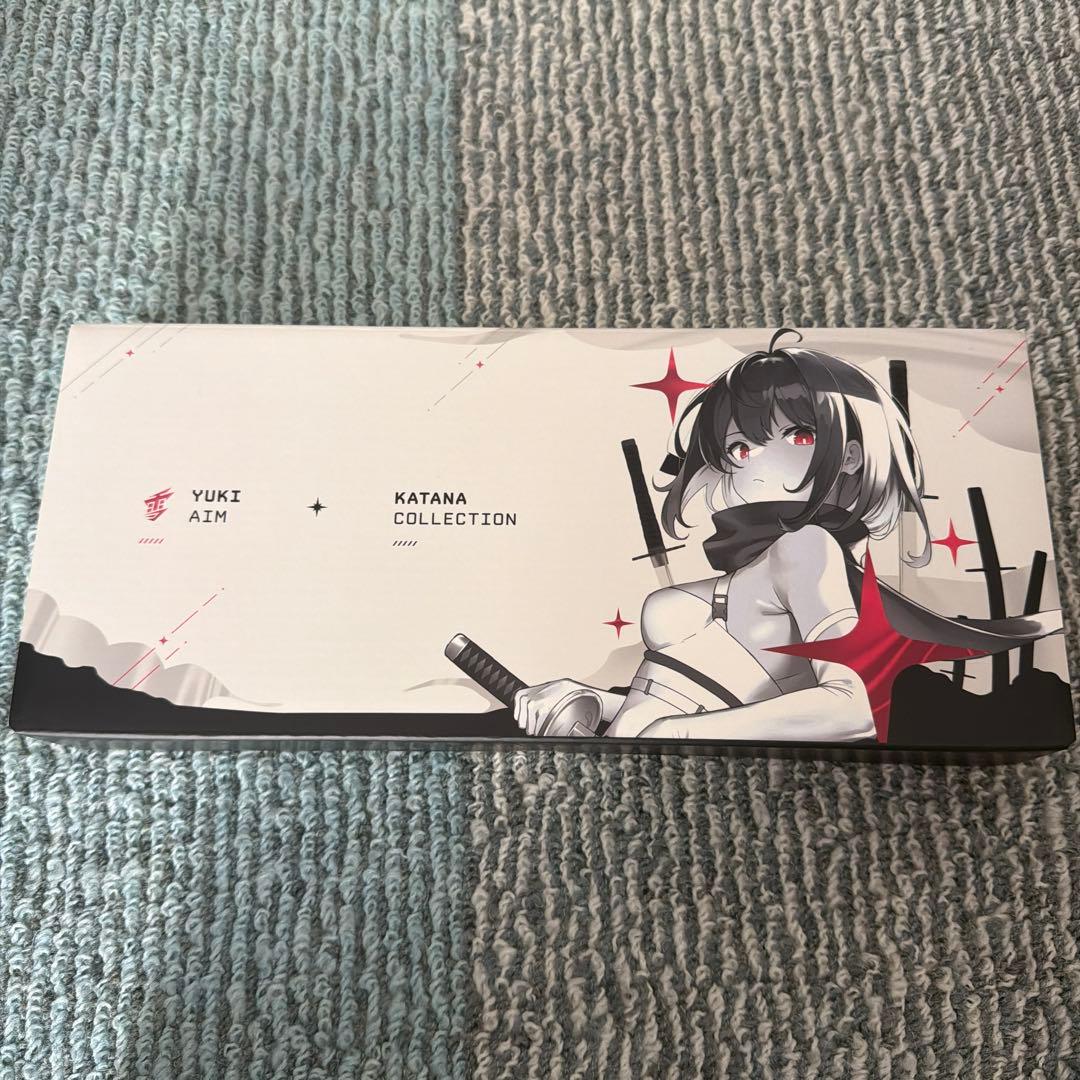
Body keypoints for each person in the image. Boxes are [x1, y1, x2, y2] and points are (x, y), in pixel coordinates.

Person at [513, 329, 934, 742]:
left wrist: (676, 733)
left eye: (798, 435)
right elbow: (695, 699)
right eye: (740, 448)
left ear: (851, 456)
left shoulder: (808, 548)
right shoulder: (767, 566)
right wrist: (593, 701)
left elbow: (858, 705)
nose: (757, 465)